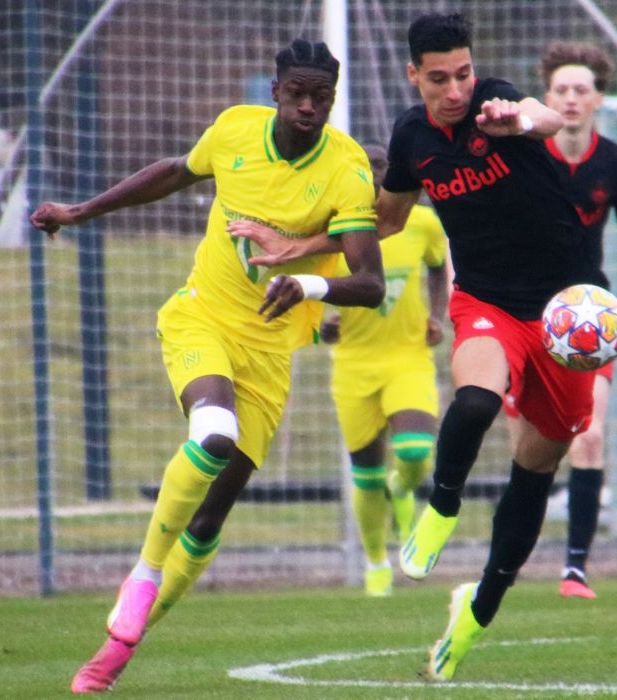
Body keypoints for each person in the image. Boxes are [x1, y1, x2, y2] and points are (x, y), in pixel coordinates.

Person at [231, 12, 610, 682]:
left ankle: (476, 612)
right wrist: (299, 245)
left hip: (563, 314)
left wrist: (518, 120)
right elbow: (385, 220)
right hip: (487, 301)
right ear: (415, 76)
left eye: (463, 73)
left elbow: (547, 118)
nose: (456, 89)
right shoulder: (411, 138)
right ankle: (441, 507)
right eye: (440, 78)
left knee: (535, 471)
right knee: (475, 400)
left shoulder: (497, 101)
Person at [30, 39, 385, 694]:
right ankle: (143, 573)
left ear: (332, 101)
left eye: (321, 97)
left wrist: (308, 285)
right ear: (275, 92)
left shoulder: (348, 168)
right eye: (297, 94)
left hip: (270, 354)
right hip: (202, 318)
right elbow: (174, 171)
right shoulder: (234, 130)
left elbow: (370, 283)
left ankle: (117, 652)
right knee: (214, 432)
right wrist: (80, 211)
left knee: (210, 516)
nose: (308, 107)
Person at [503, 41, 617, 600]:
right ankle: (507, 561)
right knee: (530, 451)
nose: (570, 98)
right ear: (546, 97)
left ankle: (575, 570)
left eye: (580, 90)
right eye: (561, 89)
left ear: (598, 99)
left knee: (589, 437)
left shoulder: (615, 164)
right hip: (523, 314)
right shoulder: (522, 156)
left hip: (589, 318)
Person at [319, 143, 448, 597]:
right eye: (363, 167)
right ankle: (376, 563)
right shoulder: (334, 229)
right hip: (354, 363)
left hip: (407, 357)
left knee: (415, 452)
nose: (373, 174)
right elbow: (311, 282)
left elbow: (439, 268)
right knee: (367, 474)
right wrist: (321, 325)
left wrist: (437, 315)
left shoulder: (422, 223)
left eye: (379, 166)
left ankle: (404, 487)